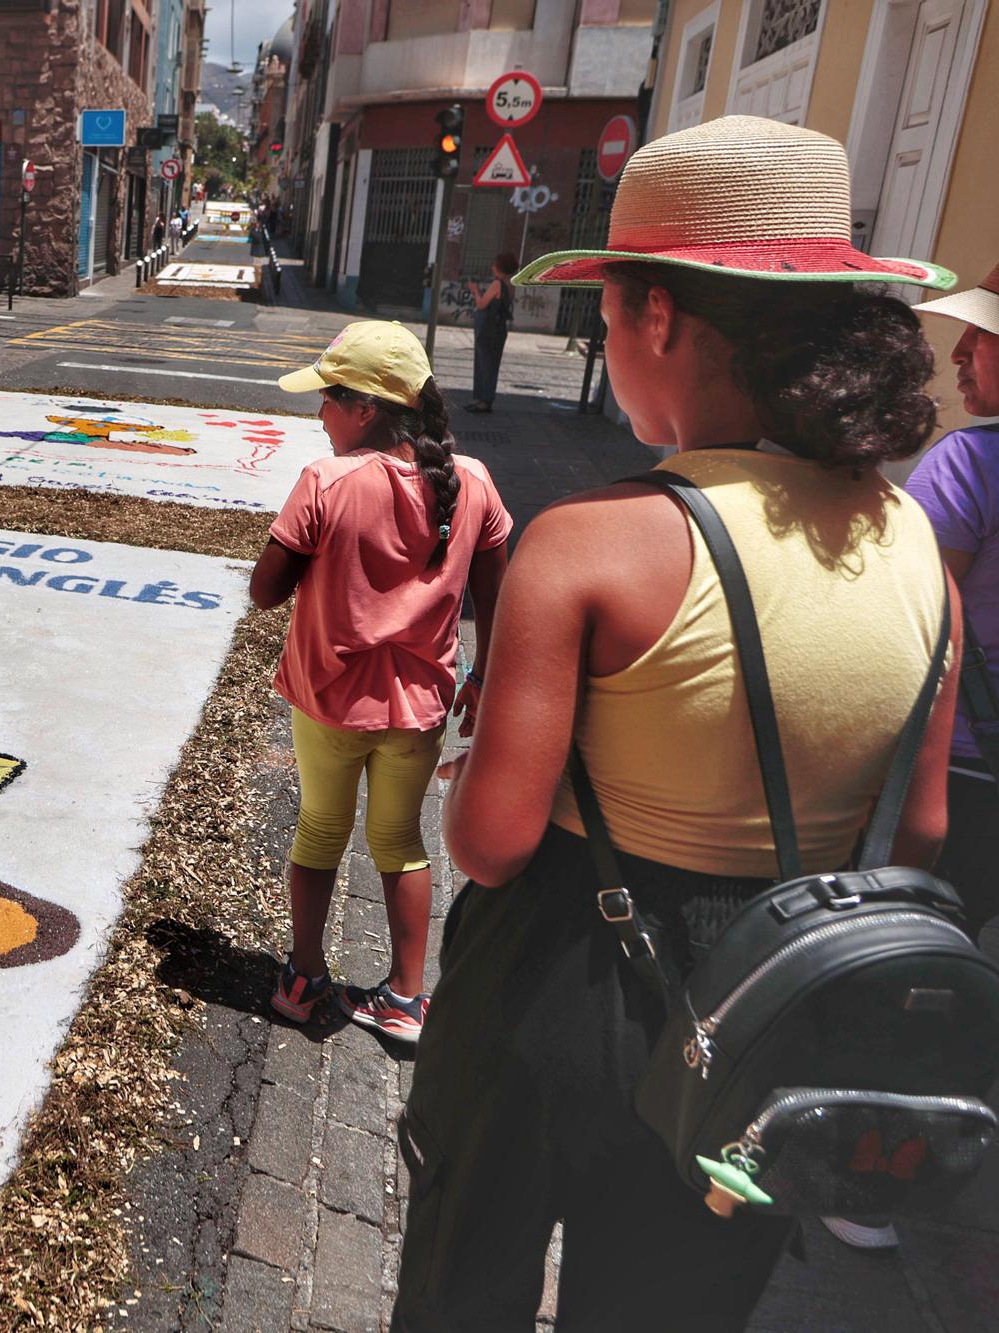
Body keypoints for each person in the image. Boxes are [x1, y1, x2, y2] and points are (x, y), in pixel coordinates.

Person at [392, 116, 961, 1329]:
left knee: (465, 1281)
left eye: (607, 318)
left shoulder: (593, 542)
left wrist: (472, 771)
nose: (608, 342)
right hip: (771, 1004)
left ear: (657, 318)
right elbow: (915, 831)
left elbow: (490, 843)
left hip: (562, 981)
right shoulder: (916, 547)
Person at [257, 322, 512, 1042]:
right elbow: (497, 588)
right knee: (400, 838)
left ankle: (304, 980)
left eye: (328, 400)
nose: (319, 414)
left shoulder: (326, 481)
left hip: (332, 700)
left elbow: (264, 592)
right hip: (424, 705)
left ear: (364, 408)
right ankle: (405, 999)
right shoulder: (477, 482)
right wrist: (486, 674)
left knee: (319, 830)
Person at [906, 262, 999, 943]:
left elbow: (915, 627)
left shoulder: (967, 462)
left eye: (983, 333)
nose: (959, 352)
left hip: (964, 768)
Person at [465, 253, 517, 413]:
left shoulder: (497, 284)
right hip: (498, 328)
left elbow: (482, 304)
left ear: (500, 267)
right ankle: (483, 398)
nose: (492, 267)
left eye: (495, 264)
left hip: (489, 329)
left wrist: (475, 291)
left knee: (485, 363)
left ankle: (484, 399)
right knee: (490, 363)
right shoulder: (510, 284)